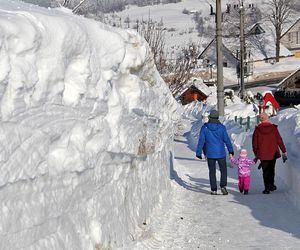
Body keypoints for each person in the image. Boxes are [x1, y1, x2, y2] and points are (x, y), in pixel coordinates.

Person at [196, 109, 234, 195]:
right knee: (223, 170)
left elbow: (201, 141)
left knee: (212, 171)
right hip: (221, 153)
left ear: (209, 117)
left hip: (210, 154)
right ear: (217, 117)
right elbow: (227, 140)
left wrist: (198, 153)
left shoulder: (204, 128)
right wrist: (230, 150)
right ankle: (223, 186)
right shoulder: (222, 127)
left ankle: (213, 189)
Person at [252, 112, 287, 194]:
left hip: (263, 153)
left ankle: (267, 187)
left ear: (261, 120)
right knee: (271, 169)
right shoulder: (273, 128)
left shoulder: (257, 130)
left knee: (265, 171)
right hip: (273, 152)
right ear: (267, 119)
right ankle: (271, 185)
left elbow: (254, 143)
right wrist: (284, 150)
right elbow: (279, 140)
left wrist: (256, 153)